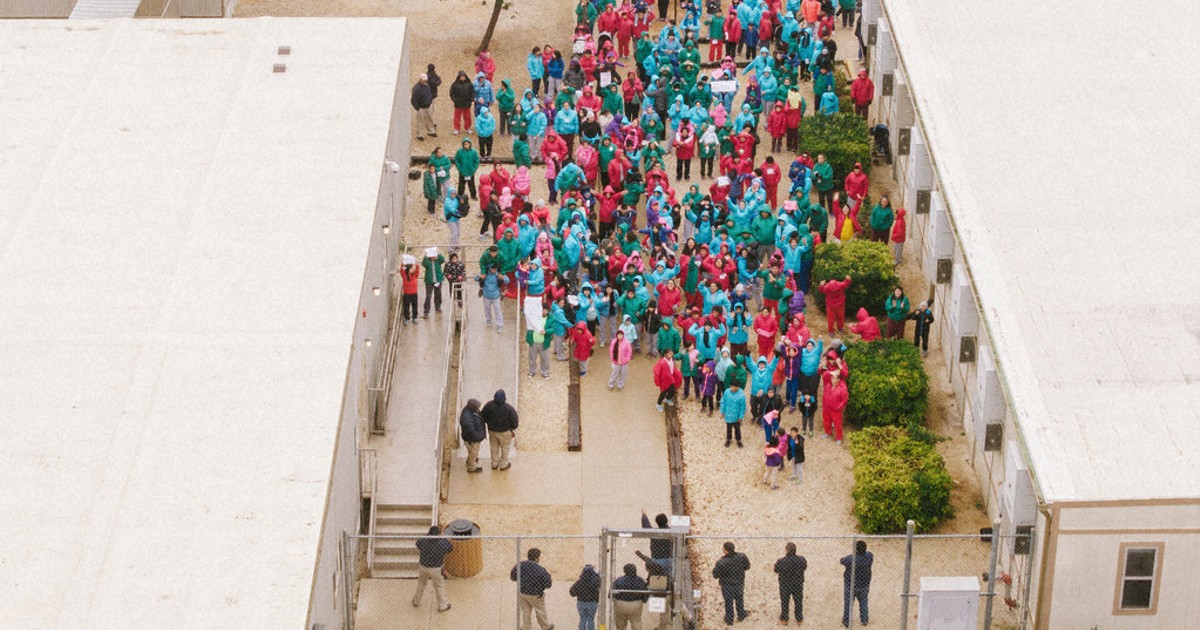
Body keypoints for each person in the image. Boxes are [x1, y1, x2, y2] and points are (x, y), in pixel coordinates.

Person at [412, 525, 453, 612]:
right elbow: (450, 548)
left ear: (429, 533)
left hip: (423, 566)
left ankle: (416, 601)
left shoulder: (424, 540)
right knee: (439, 586)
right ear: (438, 534)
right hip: (436, 569)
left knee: (421, 584)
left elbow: (417, 544)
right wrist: (443, 538)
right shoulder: (442, 543)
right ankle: (442, 606)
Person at [511, 548, 554, 630]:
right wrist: (541, 587)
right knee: (540, 611)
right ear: (537, 558)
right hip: (536, 595)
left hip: (522, 593)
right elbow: (548, 584)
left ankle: (526, 628)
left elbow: (513, 577)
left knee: (525, 611)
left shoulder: (520, 565)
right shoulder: (541, 569)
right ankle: (545, 627)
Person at [712, 541, 751, 626]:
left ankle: (729, 619)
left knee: (728, 602)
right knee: (740, 599)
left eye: (723, 548)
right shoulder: (742, 557)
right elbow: (747, 566)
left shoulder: (721, 562)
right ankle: (741, 614)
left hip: (726, 585)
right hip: (739, 583)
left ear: (726, 551)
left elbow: (715, 575)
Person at [481, 389, 518, 470]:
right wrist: (512, 428)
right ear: (504, 398)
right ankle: (504, 464)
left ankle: (494, 464)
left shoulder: (488, 405)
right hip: (505, 432)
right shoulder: (509, 409)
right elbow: (515, 422)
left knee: (494, 447)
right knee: (505, 448)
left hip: (492, 431)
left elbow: (482, 417)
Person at [841, 540, 874, 627]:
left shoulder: (851, 559)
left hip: (851, 585)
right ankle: (864, 620)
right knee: (863, 602)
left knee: (848, 603)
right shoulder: (869, 557)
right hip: (864, 585)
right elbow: (870, 554)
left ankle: (846, 621)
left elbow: (842, 561)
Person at [774, 542, 808, 625]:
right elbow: (804, 567)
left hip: (785, 585)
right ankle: (799, 619)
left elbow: (776, 570)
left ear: (786, 550)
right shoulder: (802, 559)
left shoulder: (781, 561)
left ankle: (784, 619)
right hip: (797, 584)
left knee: (785, 601)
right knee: (798, 601)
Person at [612, 563, 649, 630]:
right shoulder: (640, 580)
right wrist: (644, 600)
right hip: (636, 604)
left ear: (624, 571)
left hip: (621, 604)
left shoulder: (619, 580)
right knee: (636, 622)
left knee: (620, 624)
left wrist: (616, 600)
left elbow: (611, 594)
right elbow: (645, 595)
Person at [458, 398, 486, 473]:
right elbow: (471, 431)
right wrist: (478, 438)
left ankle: (470, 460)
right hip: (472, 440)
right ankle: (472, 468)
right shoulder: (467, 418)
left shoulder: (470, 411)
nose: (478, 409)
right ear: (472, 407)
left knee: (471, 452)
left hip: (472, 439)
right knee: (473, 452)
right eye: (477, 407)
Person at [570, 564, 601, 630]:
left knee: (582, 619)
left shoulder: (580, 582)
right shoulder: (595, 582)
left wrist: (578, 592)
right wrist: (596, 572)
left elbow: (572, 592)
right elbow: (599, 577)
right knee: (591, 620)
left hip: (581, 603)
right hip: (592, 603)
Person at [411, 73, 437, 140]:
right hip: (421, 107)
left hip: (428, 106)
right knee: (420, 121)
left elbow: (429, 94)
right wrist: (417, 108)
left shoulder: (427, 86)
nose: (425, 81)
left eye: (426, 80)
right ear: (420, 79)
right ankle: (420, 134)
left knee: (429, 119)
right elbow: (413, 99)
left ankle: (431, 131)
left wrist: (430, 101)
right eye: (424, 80)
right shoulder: (416, 88)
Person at [720, 382, 747, 448]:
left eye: (734, 387)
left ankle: (738, 440)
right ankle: (728, 439)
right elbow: (723, 401)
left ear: (738, 387)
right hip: (728, 415)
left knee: (737, 429)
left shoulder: (741, 396)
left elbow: (742, 407)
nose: (732, 388)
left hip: (736, 417)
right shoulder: (726, 392)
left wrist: (741, 417)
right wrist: (722, 412)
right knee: (728, 428)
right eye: (731, 387)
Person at [421, 248, 445, 318]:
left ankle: (438, 307)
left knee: (438, 294)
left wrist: (438, 252)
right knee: (428, 296)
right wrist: (425, 255)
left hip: (438, 280)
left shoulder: (438, 260)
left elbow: (442, 259)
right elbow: (424, 263)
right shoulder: (427, 261)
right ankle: (426, 311)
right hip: (429, 281)